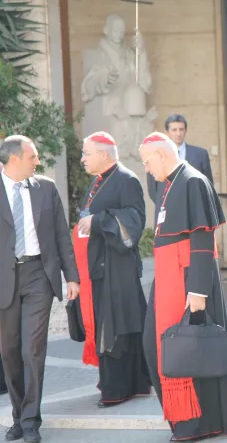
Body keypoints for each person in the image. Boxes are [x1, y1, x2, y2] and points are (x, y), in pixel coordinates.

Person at [138, 131, 227, 441]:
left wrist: (197, 291)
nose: (146, 168)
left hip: (187, 284)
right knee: (157, 348)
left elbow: (203, 240)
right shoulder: (169, 184)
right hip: (168, 280)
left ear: (162, 155)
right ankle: (184, 418)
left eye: (147, 161)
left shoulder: (192, 180)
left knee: (189, 348)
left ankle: (199, 422)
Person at [0, 135, 80, 443]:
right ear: (14, 159)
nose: (38, 161)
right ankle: (19, 416)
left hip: (38, 276)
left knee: (32, 350)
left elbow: (62, 235)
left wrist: (71, 277)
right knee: (9, 353)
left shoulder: (46, 189)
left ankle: (31, 420)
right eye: (32, 157)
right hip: (4, 279)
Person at [73, 131, 151, 407]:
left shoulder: (126, 180)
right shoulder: (97, 181)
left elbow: (135, 221)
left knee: (117, 328)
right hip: (99, 266)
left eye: (86, 153)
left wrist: (99, 221)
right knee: (116, 325)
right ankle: (130, 383)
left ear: (103, 155)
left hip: (117, 268)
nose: (82, 159)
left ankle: (118, 388)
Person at [147, 114, 214, 205]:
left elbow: (208, 186)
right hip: (168, 209)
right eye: (174, 130)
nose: (178, 134)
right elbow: (153, 190)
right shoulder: (156, 157)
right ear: (167, 133)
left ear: (185, 131)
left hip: (195, 208)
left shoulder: (200, 155)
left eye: (181, 129)